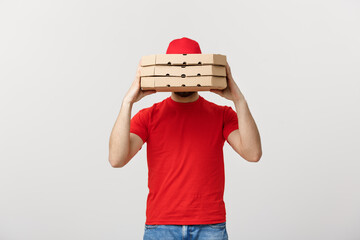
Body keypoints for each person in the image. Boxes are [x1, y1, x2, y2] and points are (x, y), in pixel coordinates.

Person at [108, 37, 262, 240]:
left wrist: (238, 99)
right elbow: (116, 159)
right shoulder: (149, 116)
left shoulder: (222, 114)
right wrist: (127, 101)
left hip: (210, 226)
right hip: (161, 226)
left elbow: (253, 154)